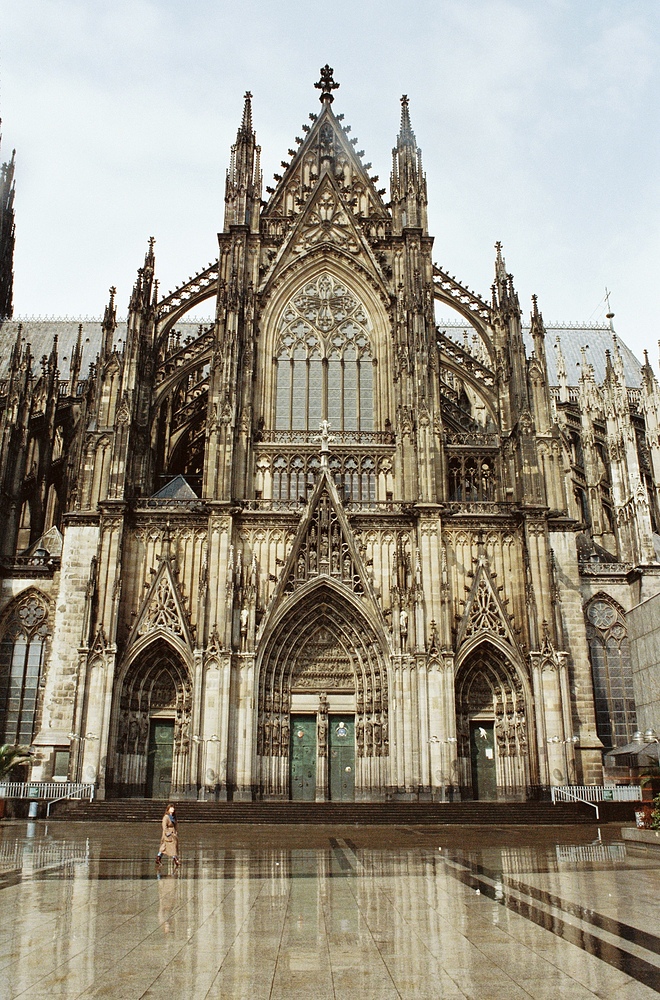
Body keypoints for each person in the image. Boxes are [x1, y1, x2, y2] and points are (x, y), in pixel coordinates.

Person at [156, 804, 180, 869]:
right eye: (171, 808)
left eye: (173, 808)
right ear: (168, 809)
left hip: (173, 833)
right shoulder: (166, 817)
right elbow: (164, 826)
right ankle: (175, 859)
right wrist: (168, 833)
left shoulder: (174, 817)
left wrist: (176, 832)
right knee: (172, 847)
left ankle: (158, 858)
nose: (173, 809)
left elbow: (175, 825)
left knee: (164, 847)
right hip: (168, 834)